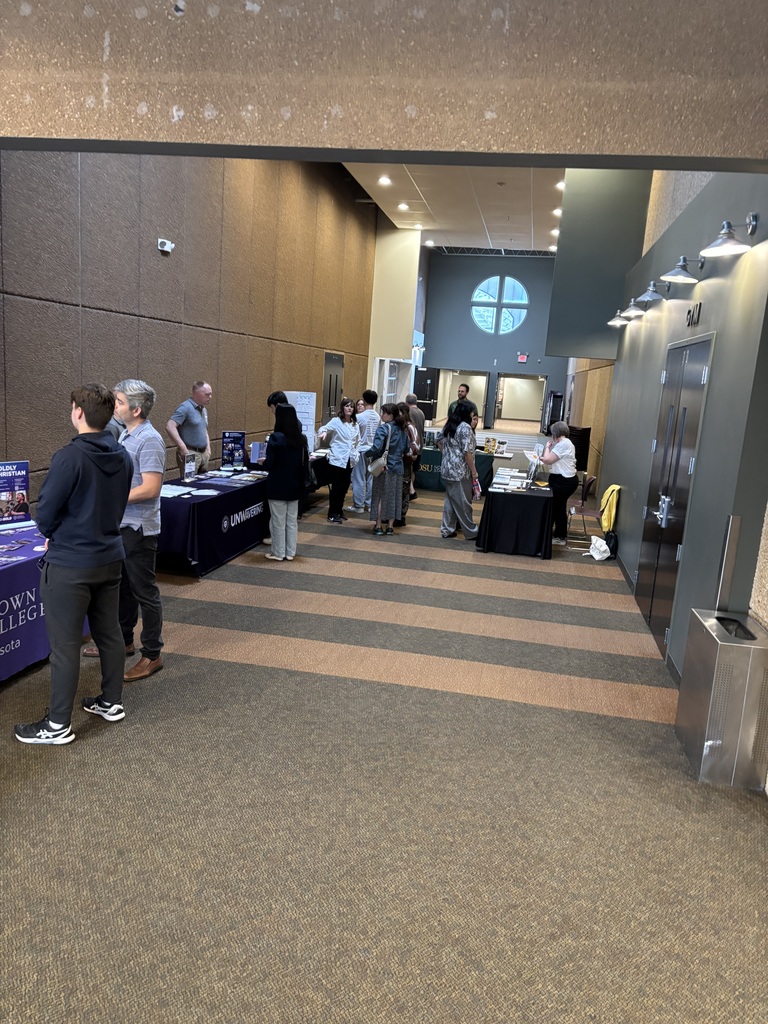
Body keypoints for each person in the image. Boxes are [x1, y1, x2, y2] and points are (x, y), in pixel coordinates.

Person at [14, 384, 133, 745]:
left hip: (70, 564)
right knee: (110, 633)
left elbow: (45, 511)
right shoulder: (124, 455)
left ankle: (58, 726)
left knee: (65, 646)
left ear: (78, 412)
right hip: (110, 558)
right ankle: (112, 702)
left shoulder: (69, 457)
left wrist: (51, 532)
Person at [84, 380, 167, 680]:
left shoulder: (150, 440)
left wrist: (113, 498)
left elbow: (151, 488)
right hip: (123, 525)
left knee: (145, 592)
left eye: (118, 402)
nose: (114, 407)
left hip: (139, 528)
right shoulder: (126, 436)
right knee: (124, 589)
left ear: (136, 408)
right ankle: (125, 640)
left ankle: (153, 654)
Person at [262, 403, 306, 561]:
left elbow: (270, 464)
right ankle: (290, 552)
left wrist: (262, 462)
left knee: (277, 521)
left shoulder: (276, 438)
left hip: (277, 485)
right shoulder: (300, 439)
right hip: (295, 486)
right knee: (291, 521)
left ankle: (278, 553)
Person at [437, 400, 479, 541]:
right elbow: (467, 452)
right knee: (463, 503)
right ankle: (471, 531)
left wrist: (447, 454)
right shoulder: (465, 428)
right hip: (460, 471)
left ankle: (447, 529)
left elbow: (438, 439)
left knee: (450, 500)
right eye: (472, 413)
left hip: (447, 469)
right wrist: (474, 472)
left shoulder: (450, 425)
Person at [366, 403, 408, 535]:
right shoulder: (403, 430)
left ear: (390, 415)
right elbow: (407, 449)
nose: (381, 415)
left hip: (384, 467)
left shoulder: (383, 429)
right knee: (394, 496)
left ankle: (378, 525)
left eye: (383, 413)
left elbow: (377, 448)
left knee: (380, 496)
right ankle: (390, 527)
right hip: (398, 467)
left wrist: (366, 454)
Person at [318, 397, 360, 524]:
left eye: (351, 406)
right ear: (342, 408)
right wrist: (323, 433)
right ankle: (332, 512)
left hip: (350, 459)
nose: (349, 408)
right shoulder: (336, 421)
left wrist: (356, 453)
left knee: (344, 487)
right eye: (347, 406)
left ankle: (339, 509)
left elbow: (357, 441)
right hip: (337, 459)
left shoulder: (354, 423)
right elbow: (323, 428)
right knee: (336, 488)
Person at [540, 420, 578, 546]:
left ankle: (560, 536)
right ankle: (558, 534)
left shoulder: (563, 444)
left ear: (556, 433)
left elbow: (547, 460)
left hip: (563, 481)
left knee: (558, 508)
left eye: (552, 434)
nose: (552, 436)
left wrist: (547, 447)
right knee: (558, 507)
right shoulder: (566, 443)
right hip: (563, 480)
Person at [166, 380, 212, 475]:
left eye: (210, 394)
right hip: (190, 452)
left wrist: (208, 448)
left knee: (203, 484)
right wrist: (183, 448)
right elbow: (170, 426)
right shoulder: (185, 407)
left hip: (204, 453)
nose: (210, 397)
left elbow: (204, 430)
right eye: (207, 394)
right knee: (189, 484)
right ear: (196, 393)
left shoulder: (203, 409)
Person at [346, 389, 380, 515]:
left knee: (358, 478)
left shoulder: (359, 417)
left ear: (364, 400)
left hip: (361, 451)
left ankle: (358, 505)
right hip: (373, 451)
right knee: (370, 478)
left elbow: (353, 434)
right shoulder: (378, 417)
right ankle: (369, 504)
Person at [394, 401, 420, 527]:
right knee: (400, 488)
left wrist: (405, 452)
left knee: (403, 490)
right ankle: (397, 515)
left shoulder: (408, 427)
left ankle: (401, 516)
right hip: (403, 462)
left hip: (405, 462)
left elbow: (414, 447)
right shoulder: (406, 426)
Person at [405, 393, 425, 500]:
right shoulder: (421, 413)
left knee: (408, 469)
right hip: (419, 445)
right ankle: (410, 491)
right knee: (414, 470)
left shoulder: (408, 412)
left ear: (406, 402)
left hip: (411, 446)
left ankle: (409, 491)